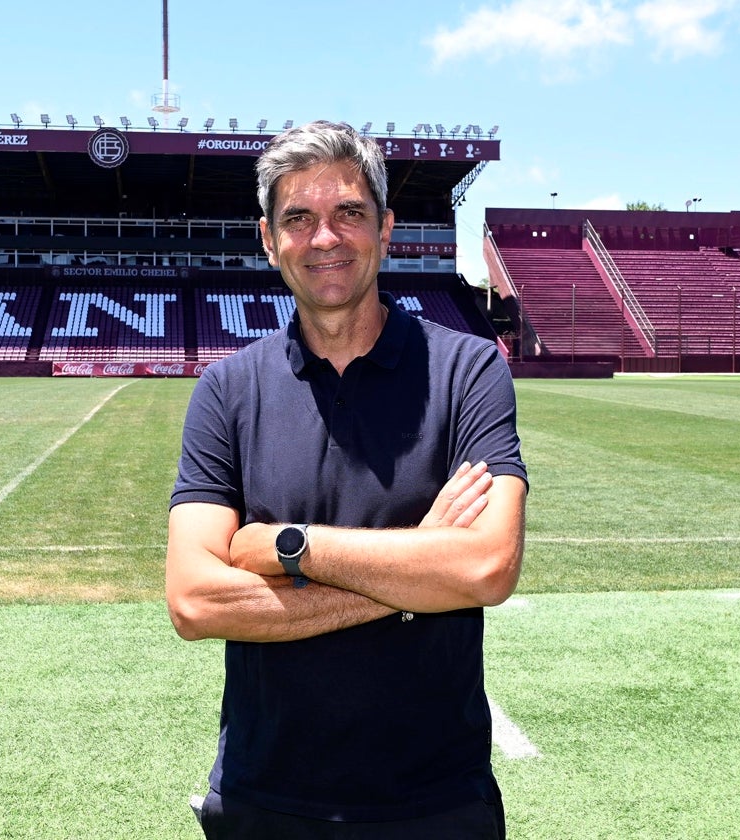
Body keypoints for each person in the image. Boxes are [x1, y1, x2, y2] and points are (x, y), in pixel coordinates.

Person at [166, 120, 528, 838]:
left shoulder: (468, 372)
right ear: (269, 240)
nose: (324, 238)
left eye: (349, 214)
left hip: (436, 803)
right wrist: (415, 570)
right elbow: (194, 602)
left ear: (386, 229)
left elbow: (486, 565)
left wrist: (287, 548)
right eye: (298, 218)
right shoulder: (227, 391)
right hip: (262, 800)